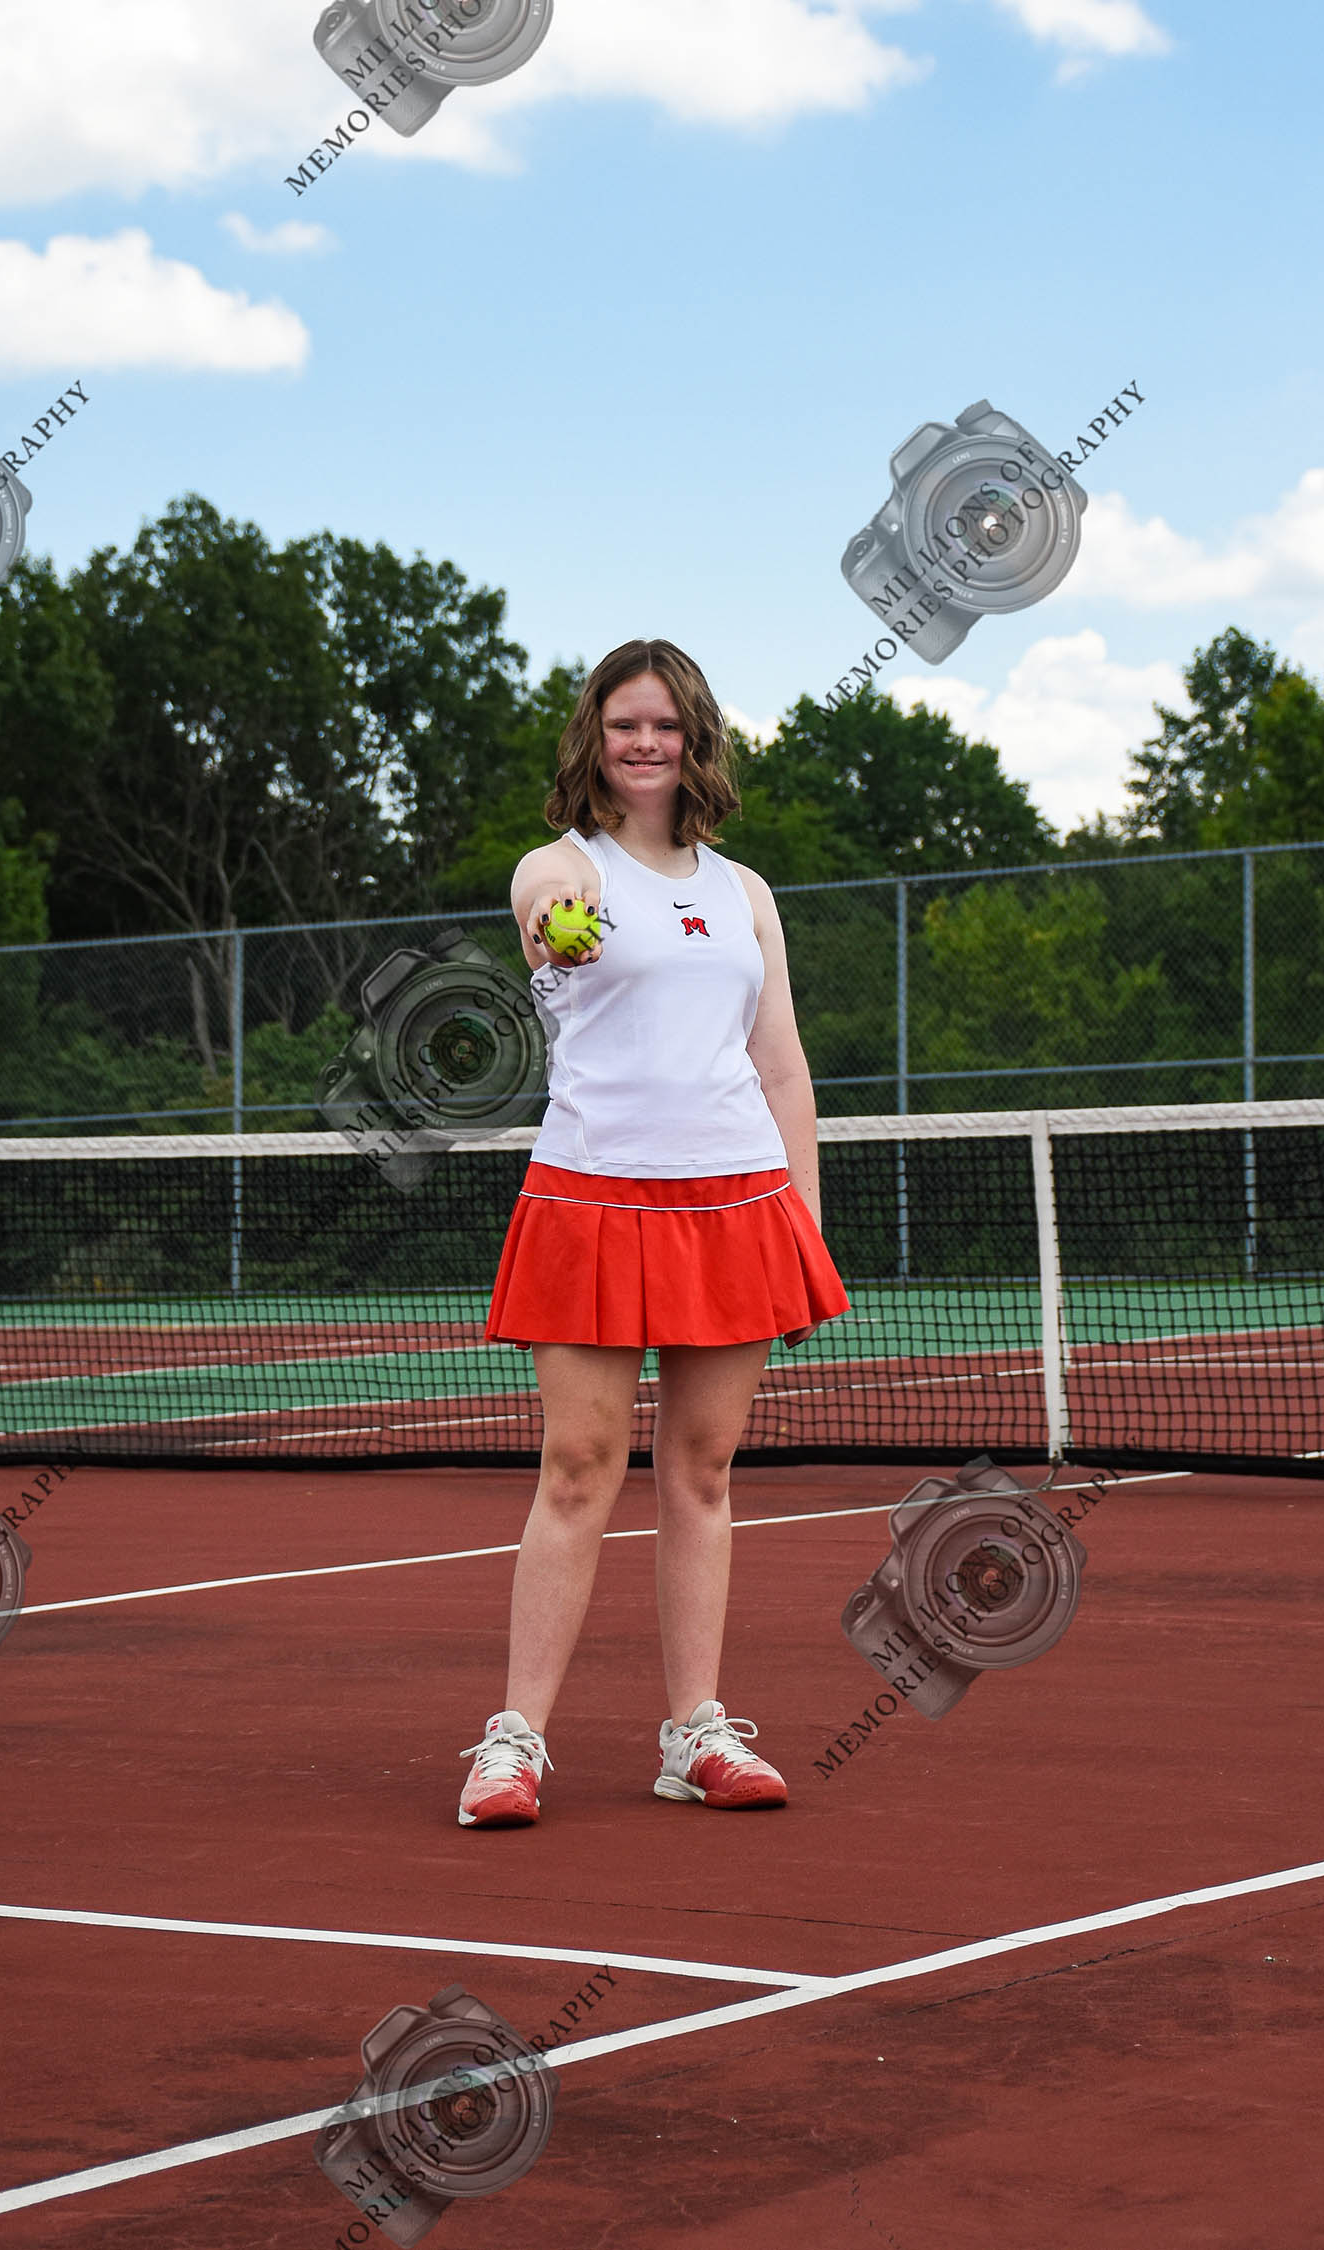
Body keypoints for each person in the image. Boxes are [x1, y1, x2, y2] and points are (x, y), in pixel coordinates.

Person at [457, 639, 849, 1827]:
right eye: (625, 723)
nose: (644, 743)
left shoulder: (746, 894)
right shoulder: (559, 869)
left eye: (665, 725)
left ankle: (696, 1735)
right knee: (579, 1468)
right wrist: (558, 931)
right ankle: (513, 1745)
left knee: (703, 1473)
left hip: (737, 1204)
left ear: (694, 741)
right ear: (596, 737)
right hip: (589, 1198)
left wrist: (804, 1226)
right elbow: (544, 920)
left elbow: (782, 1068)